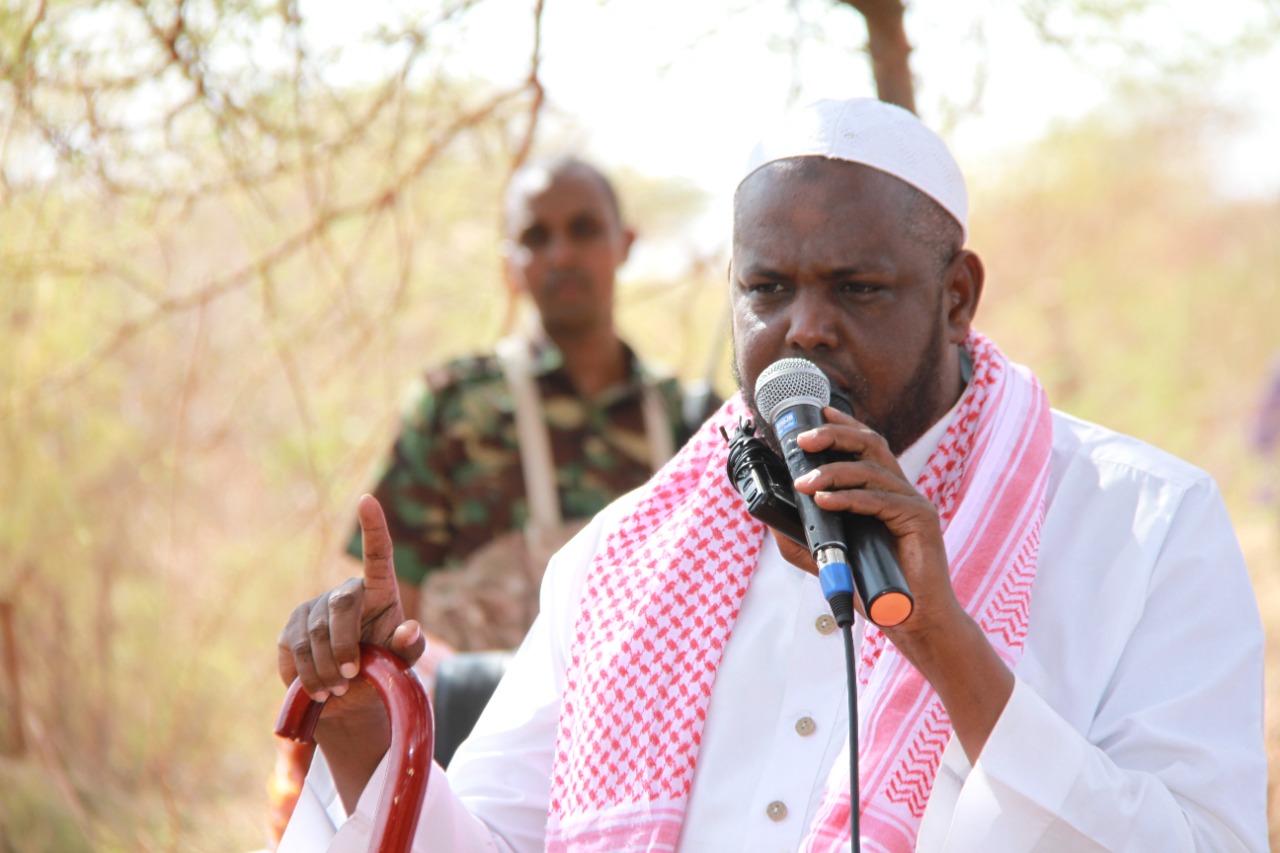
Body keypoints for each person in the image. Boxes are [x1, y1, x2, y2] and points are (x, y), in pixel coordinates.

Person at [275, 98, 1267, 851]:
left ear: (956, 296)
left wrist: (943, 643)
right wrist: (364, 739)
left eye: (857, 288)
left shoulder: (1142, 523)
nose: (804, 329)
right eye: (766, 288)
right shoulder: (621, 560)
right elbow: (494, 839)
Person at [349, 154, 714, 652]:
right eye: (536, 237)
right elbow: (388, 618)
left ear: (625, 244)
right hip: (479, 703)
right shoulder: (455, 409)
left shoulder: (689, 422)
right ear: (510, 265)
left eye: (583, 229)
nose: (561, 255)